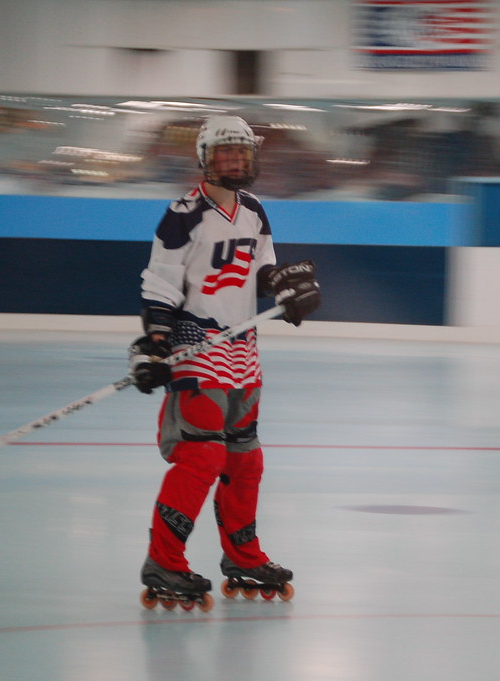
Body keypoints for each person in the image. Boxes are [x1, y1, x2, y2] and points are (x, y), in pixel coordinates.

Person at [129, 115, 321, 609]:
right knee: (203, 455)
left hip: (242, 348)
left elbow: (261, 270)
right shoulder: (183, 214)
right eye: (224, 153)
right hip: (195, 345)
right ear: (205, 159)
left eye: (242, 153)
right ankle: (164, 560)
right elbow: (162, 282)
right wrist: (154, 342)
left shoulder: (256, 211)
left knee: (245, 457)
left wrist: (284, 290)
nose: (234, 161)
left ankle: (243, 555)